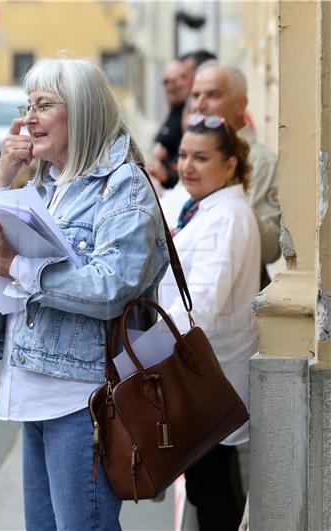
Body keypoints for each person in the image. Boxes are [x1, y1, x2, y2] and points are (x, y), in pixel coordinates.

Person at [0, 56, 170, 530]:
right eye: (28, 104)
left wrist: (18, 268)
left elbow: (110, 288)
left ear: (82, 112)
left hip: (84, 395)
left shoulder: (121, 188)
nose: (28, 118)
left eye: (44, 105)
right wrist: (3, 173)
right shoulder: (46, 182)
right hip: (34, 383)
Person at [160, 114, 259, 530]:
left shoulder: (228, 217)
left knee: (213, 489)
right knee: (209, 486)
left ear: (230, 164)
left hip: (211, 375)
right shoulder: (204, 206)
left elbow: (204, 303)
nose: (187, 166)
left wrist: (153, 345)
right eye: (183, 155)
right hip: (201, 373)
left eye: (201, 158)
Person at [190, 63, 280, 287]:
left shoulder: (261, 162)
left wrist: (226, 199)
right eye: (196, 95)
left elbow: (271, 249)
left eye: (212, 95)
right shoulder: (192, 157)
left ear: (240, 105)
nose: (200, 105)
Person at [147, 60, 191, 189]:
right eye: (167, 82)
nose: (173, 86)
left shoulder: (189, 112)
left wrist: (167, 176)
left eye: (180, 78)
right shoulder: (174, 109)